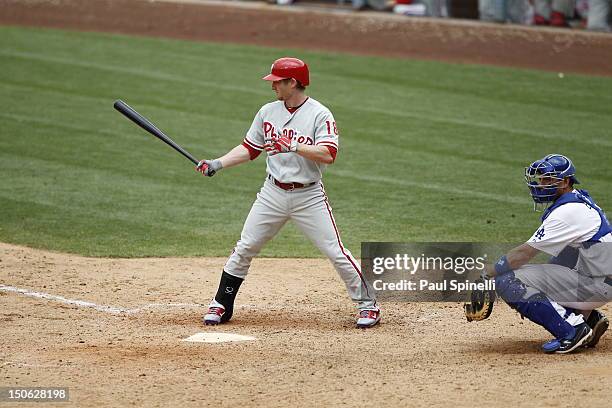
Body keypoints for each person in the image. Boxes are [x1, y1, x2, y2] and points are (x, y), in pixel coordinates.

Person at [196, 57, 381, 329]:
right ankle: (222, 304)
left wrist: (293, 145)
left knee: (335, 250)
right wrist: (218, 163)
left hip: (309, 196)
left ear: (292, 83)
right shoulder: (267, 112)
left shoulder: (319, 114)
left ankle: (369, 305)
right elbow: (250, 148)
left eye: (277, 82)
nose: (273, 87)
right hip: (272, 193)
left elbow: (329, 154)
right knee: (245, 246)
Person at [487, 154, 610, 354]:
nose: (540, 185)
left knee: (507, 280)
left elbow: (523, 254)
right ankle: (587, 318)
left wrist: (486, 274)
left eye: (548, 179)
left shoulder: (566, 213)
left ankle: (573, 331)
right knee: (554, 264)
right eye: (541, 179)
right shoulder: (577, 200)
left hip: (597, 284)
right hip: (600, 279)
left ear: (565, 182)